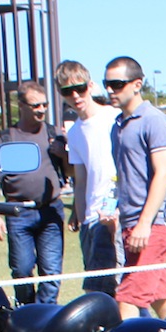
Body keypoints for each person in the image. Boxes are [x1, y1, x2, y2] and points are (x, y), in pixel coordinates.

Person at [105, 56, 166, 320]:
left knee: (127, 301)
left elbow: (163, 174)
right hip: (130, 224)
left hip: (151, 226)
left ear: (137, 84)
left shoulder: (153, 120)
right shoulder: (118, 126)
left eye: (117, 84)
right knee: (162, 302)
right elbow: (125, 176)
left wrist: (144, 224)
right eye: (107, 84)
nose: (111, 90)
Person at [0, 81, 67, 304]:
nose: (41, 110)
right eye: (35, 106)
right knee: (21, 270)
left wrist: (64, 154)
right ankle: (26, 313)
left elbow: (71, 170)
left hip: (50, 211)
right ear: (21, 105)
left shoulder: (53, 135)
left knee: (51, 272)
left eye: (44, 105)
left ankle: (45, 316)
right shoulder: (6, 139)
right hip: (18, 212)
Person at [57, 60, 120, 295]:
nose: (75, 96)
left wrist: (117, 210)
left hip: (113, 212)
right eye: (67, 91)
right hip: (91, 220)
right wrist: (80, 216)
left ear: (91, 86)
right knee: (100, 284)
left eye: (80, 88)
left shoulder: (114, 117)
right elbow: (80, 180)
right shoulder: (73, 132)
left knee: (106, 289)